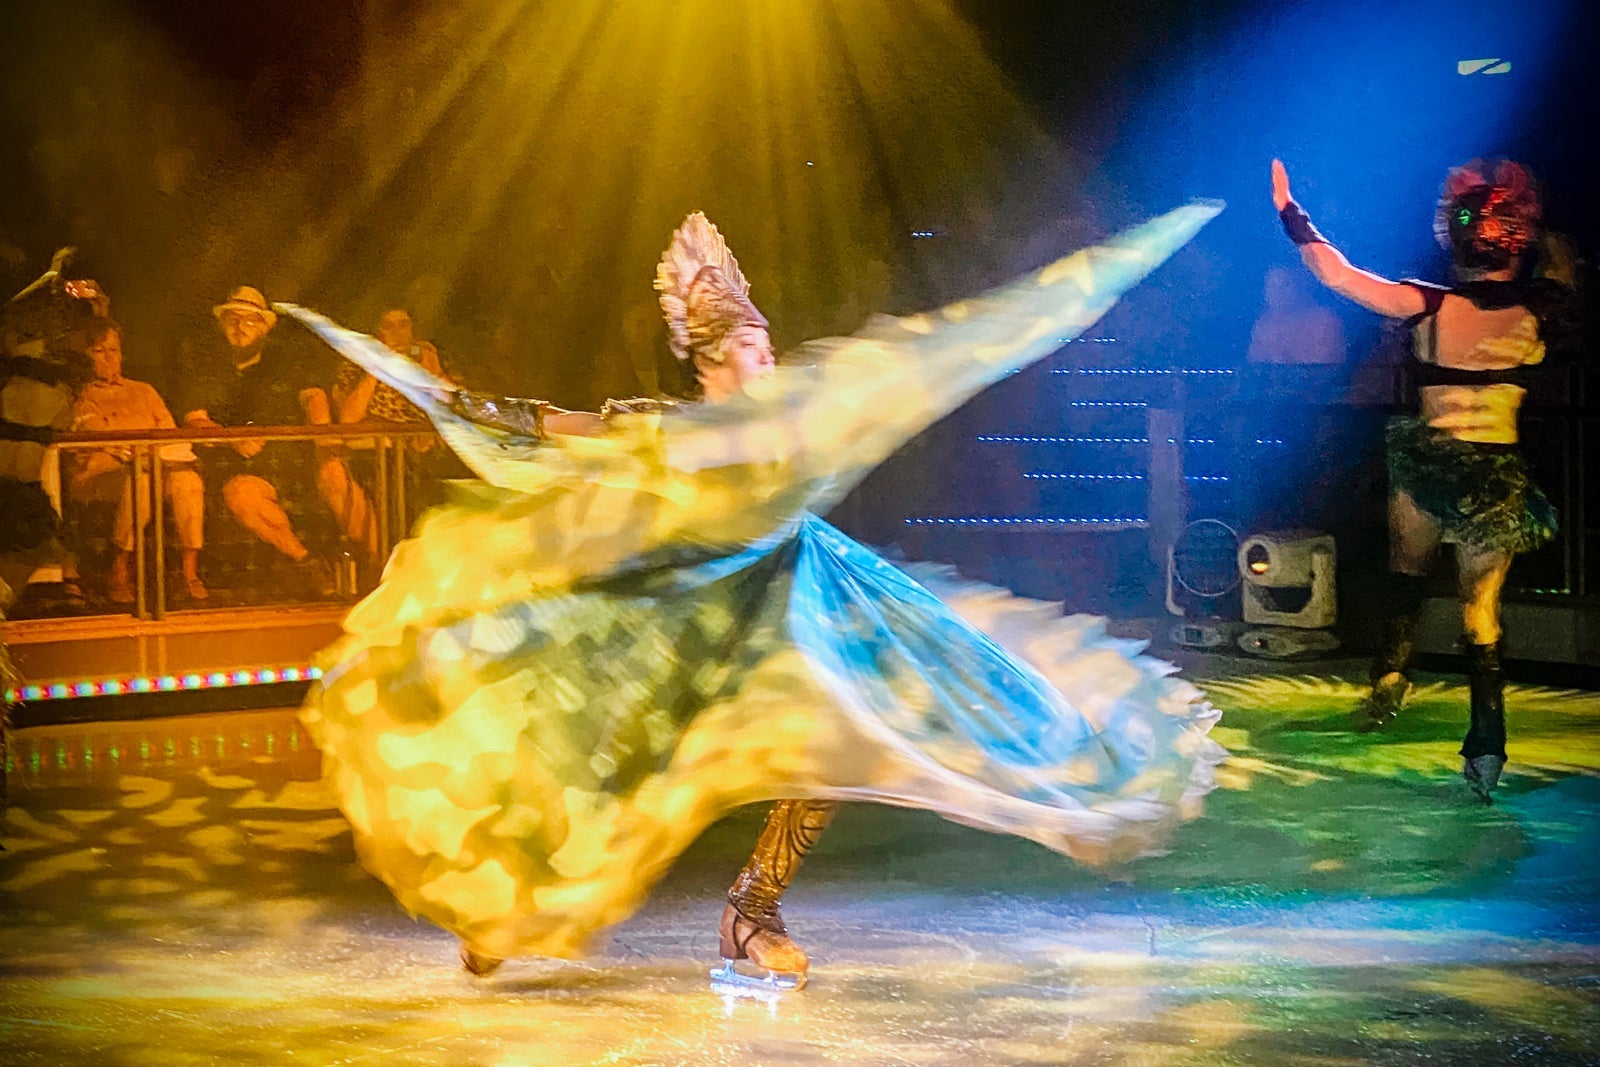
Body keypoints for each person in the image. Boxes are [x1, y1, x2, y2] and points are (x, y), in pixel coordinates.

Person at [284, 202, 1225, 992]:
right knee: (610, 765)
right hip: (691, 616)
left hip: (797, 599)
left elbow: (913, 372)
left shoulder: (791, 414)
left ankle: (749, 916)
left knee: (822, 753)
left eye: (771, 344)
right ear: (714, 356)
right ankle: (508, 906)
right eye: (754, 345)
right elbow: (547, 425)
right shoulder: (667, 428)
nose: (771, 358)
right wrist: (450, 398)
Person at [1271, 157, 1572, 802]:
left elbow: (1337, 275)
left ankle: (1389, 682)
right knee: (1480, 611)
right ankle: (1486, 747)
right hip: (1493, 475)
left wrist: (1290, 213)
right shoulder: (1536, 314)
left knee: (1407, 574)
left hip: (1431, 466)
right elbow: (1564, 269)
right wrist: (1543, 238)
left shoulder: (1432, 305)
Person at [178, 286, 335, 594]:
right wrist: (231, 439)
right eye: (233, 319)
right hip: (224, 463)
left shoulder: (286, 366)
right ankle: (307, 561)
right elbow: (194, 418)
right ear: (222, 324)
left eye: (250, 320)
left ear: (265, 327)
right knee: (240, 493)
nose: (240, 327)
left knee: (248, 493)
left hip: (284, 465)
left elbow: (313, 398)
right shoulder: (205, 367)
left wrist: (326, 445)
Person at [67, 319, 207, 602]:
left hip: (155, 465)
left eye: (114, 350)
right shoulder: (83, 396)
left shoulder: (144, 390)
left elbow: (167, 431)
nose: (109, 358)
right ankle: (119, 568)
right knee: (140, 481)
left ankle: (188, 571)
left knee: (188, 482)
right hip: (102, 475)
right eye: (100, 351)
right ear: (86, 356)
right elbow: (98, 436)